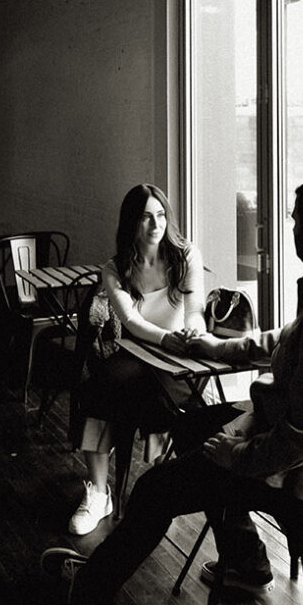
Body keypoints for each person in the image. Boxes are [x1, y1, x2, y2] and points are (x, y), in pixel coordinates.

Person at [42, 175, 303, 605]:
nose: (289, 229)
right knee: (192, 426)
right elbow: (284, 341)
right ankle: (246, 561)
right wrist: (218, 347)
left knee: (154, 488)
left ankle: (88, 592)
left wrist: (238, 456)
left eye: (293, 220)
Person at [67, 182, 207, 535]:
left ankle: (168, 488)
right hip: (137, 349)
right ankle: (99, 493)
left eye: (160, 215)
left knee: (178, 404)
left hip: (174, 356)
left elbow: (195, 311)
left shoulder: (186, 254)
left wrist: (191, 331)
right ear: (131, 222)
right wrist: (166, 339)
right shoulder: (114, 268)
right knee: (98, 387)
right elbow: (130, 321)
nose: (155, 224)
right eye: (145, 217)